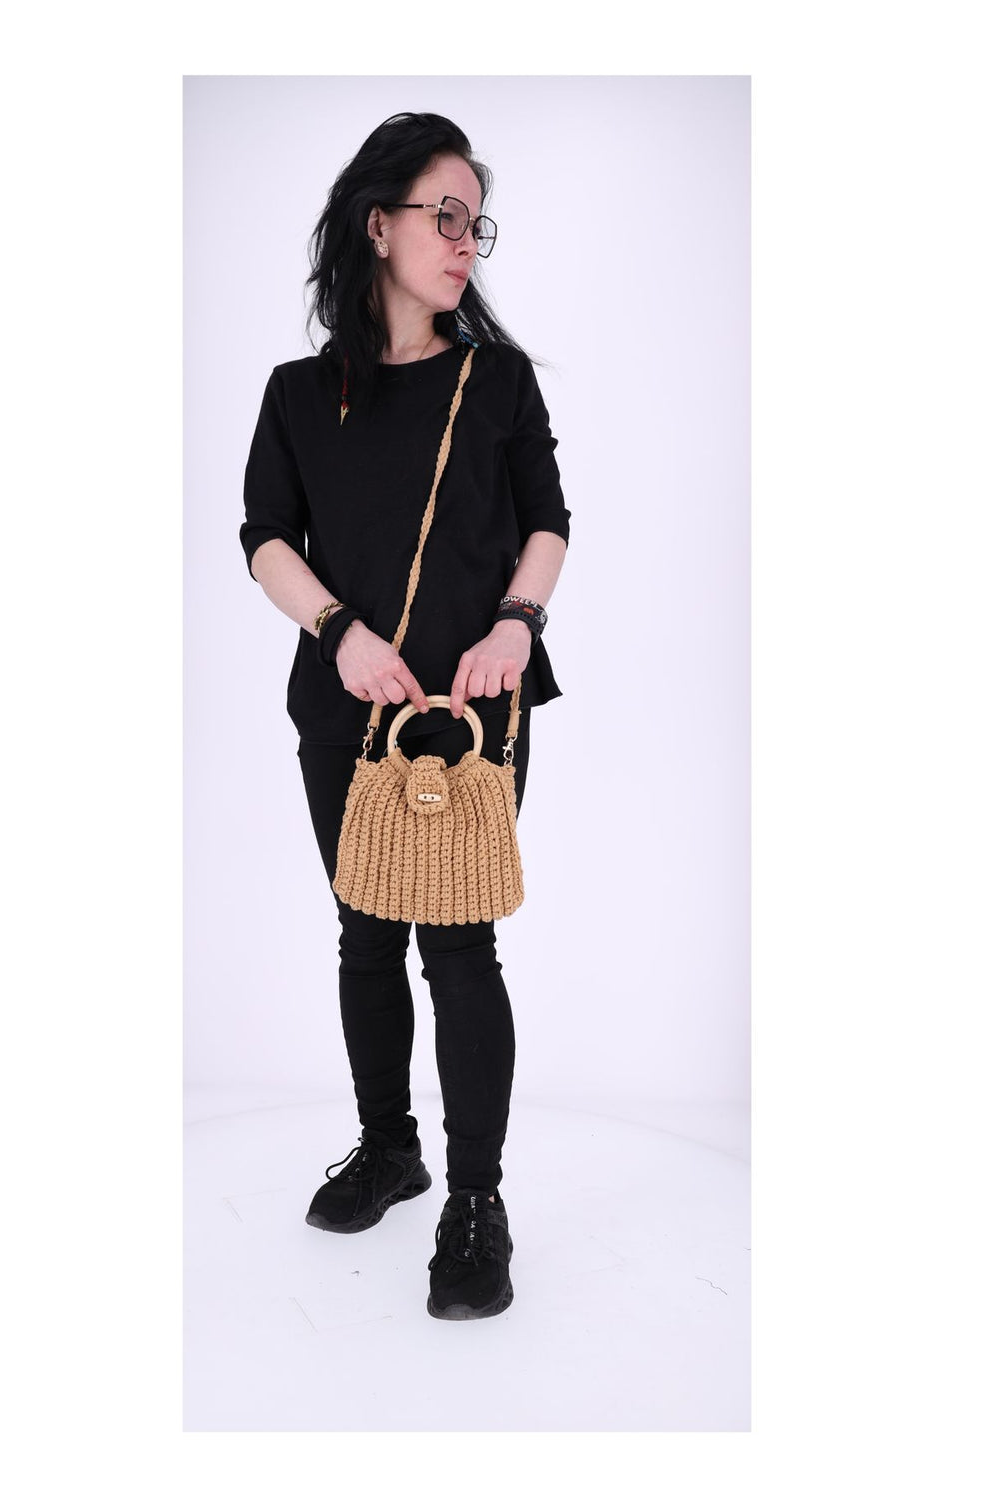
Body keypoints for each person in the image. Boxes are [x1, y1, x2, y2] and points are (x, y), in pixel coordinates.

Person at [239, 112, 571, 1321]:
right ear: (376, 226)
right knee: (365, 932)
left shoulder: (499, 381)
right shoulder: (299, 394)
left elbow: (548, 520)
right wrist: (339, 631)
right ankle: (392, 1148)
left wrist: (516, 624)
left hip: (474, 710)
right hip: (348, 707)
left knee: (460, 944)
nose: (465, 240)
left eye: (476, 222)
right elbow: (264, 537)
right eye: (445, 215)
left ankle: (476, 1202)